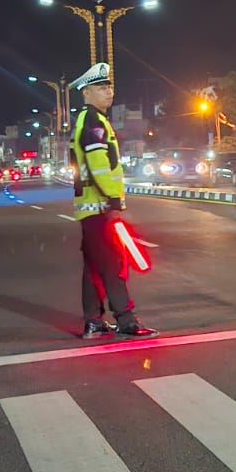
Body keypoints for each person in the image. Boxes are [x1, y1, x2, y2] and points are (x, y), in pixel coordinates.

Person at [69, 62, 156, 338]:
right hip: (100, 207)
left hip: (91, 209)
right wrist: (113, 201)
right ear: (86, 93)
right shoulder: (93, 122)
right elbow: (97, 166)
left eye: (108, 86)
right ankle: (126, 320)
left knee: (94, 267)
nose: (108, 91)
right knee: (114, 264)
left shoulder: (90, 119)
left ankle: (94, 321)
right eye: (100, 87)